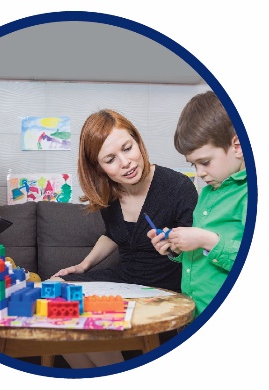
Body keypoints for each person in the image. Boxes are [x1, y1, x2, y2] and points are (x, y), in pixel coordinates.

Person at [51, 109, 198, 367]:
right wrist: (84, 266)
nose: (126, 163)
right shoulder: (109, 193)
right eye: (110, 159)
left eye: (128, 148)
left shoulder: (178, 187)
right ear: (99, 168)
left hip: (162, 286)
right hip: (125, 280)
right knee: (54, 288)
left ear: (138, 141)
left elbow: (194, 249)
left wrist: (173, 244)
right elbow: (115, 235)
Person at [148, 90, 247, 318]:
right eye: (193, 165)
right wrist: (176, 246)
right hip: (195, 310)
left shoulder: (248, 194)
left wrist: (205, 239)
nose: (199, 173)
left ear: (238, 146)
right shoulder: (209, 192)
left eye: (205, 162)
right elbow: (201, 254)